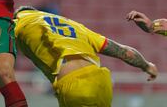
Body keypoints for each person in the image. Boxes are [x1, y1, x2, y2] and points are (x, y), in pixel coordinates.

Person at [13, 6, 158, 107]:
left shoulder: (16, 24)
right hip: (101, 81)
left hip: (74, 85)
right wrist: (146, 66)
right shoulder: (74, 26)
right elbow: (123, 51)